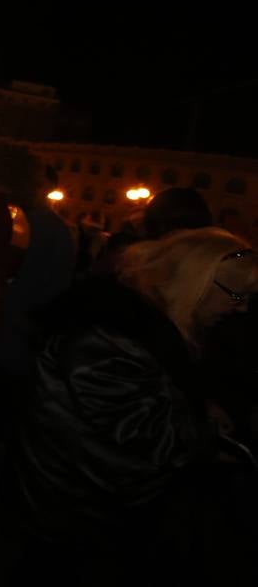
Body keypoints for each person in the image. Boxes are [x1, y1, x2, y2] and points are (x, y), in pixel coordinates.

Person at [14, 229, 258, 586]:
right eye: (236, 295)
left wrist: (197, 410)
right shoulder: (112, 332)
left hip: (93, 520)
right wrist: (209, 438)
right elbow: (141, 434)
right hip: (78, 524)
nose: (243, 308)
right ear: (198, 281)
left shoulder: (143, 327)